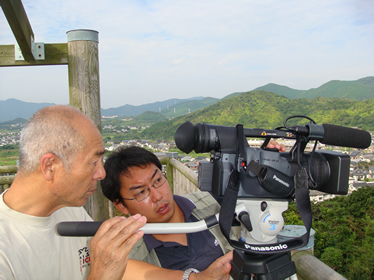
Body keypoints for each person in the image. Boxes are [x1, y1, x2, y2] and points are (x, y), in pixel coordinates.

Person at [0, 105, 232, 280]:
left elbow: (125, 265)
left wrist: (195, 278)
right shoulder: (6, 251)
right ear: (50, 166)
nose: (101, 173)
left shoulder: (69, 212)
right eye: (93, 161)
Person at [101, 143, 286, 273]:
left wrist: (267, 169)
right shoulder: (128, 256)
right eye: (141, 192)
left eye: (158, 180)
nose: (158, 196)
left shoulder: (209, 203)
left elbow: (260, 206)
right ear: (120, 205)